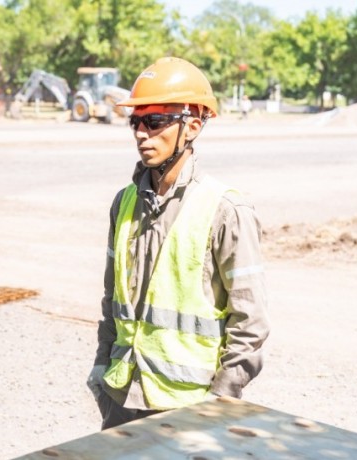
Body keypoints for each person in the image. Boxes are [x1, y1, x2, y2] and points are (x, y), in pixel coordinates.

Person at [86, 57, 270, 430]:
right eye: (135, 121)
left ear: (193, 127)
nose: (142, 133)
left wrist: (220, 400)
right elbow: (112, 303)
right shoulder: (123, 203)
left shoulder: (225, 210)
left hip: (190, 406)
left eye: (155, 121)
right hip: (123, 396)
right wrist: (102, 368)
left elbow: (250, 322)